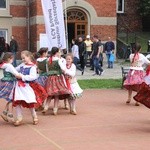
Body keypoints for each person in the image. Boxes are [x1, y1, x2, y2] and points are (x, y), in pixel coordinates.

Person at [13, 50, 48, 126]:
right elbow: (15, 70)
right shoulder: (22, 65)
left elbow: (33, 77)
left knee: (30, 102)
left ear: (29, 57)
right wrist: (9, 67)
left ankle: (34, 116)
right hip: (19, 87)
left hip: (27, 87)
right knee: (17, 101)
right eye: (22, 58)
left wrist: (22, 76)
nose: (23, 60)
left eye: (24, 58)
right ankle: (19, 118)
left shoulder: (32, 67)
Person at [43, 47, 72, 115]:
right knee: (57, 94)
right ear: (56, 52)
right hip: (57, 78)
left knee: (50, 94)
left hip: (50, 78)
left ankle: (46, 107)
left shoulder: (47, 60)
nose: (60, 53)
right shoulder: (58, 60)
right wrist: (68, 72)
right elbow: (63, 69)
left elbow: (47, 70)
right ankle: (55, 109)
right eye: (59, 51)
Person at [0, 52, 20, 123]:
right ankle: (10, 115)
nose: (13, 60)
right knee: (12, 98)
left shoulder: (4, 65)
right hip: (10, 83)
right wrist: (22, 76)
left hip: (4, 81)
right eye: (12, 58)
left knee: (10, 98)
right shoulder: (9, 65)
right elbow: (16, 73)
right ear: (9, 58)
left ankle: (5, 112)